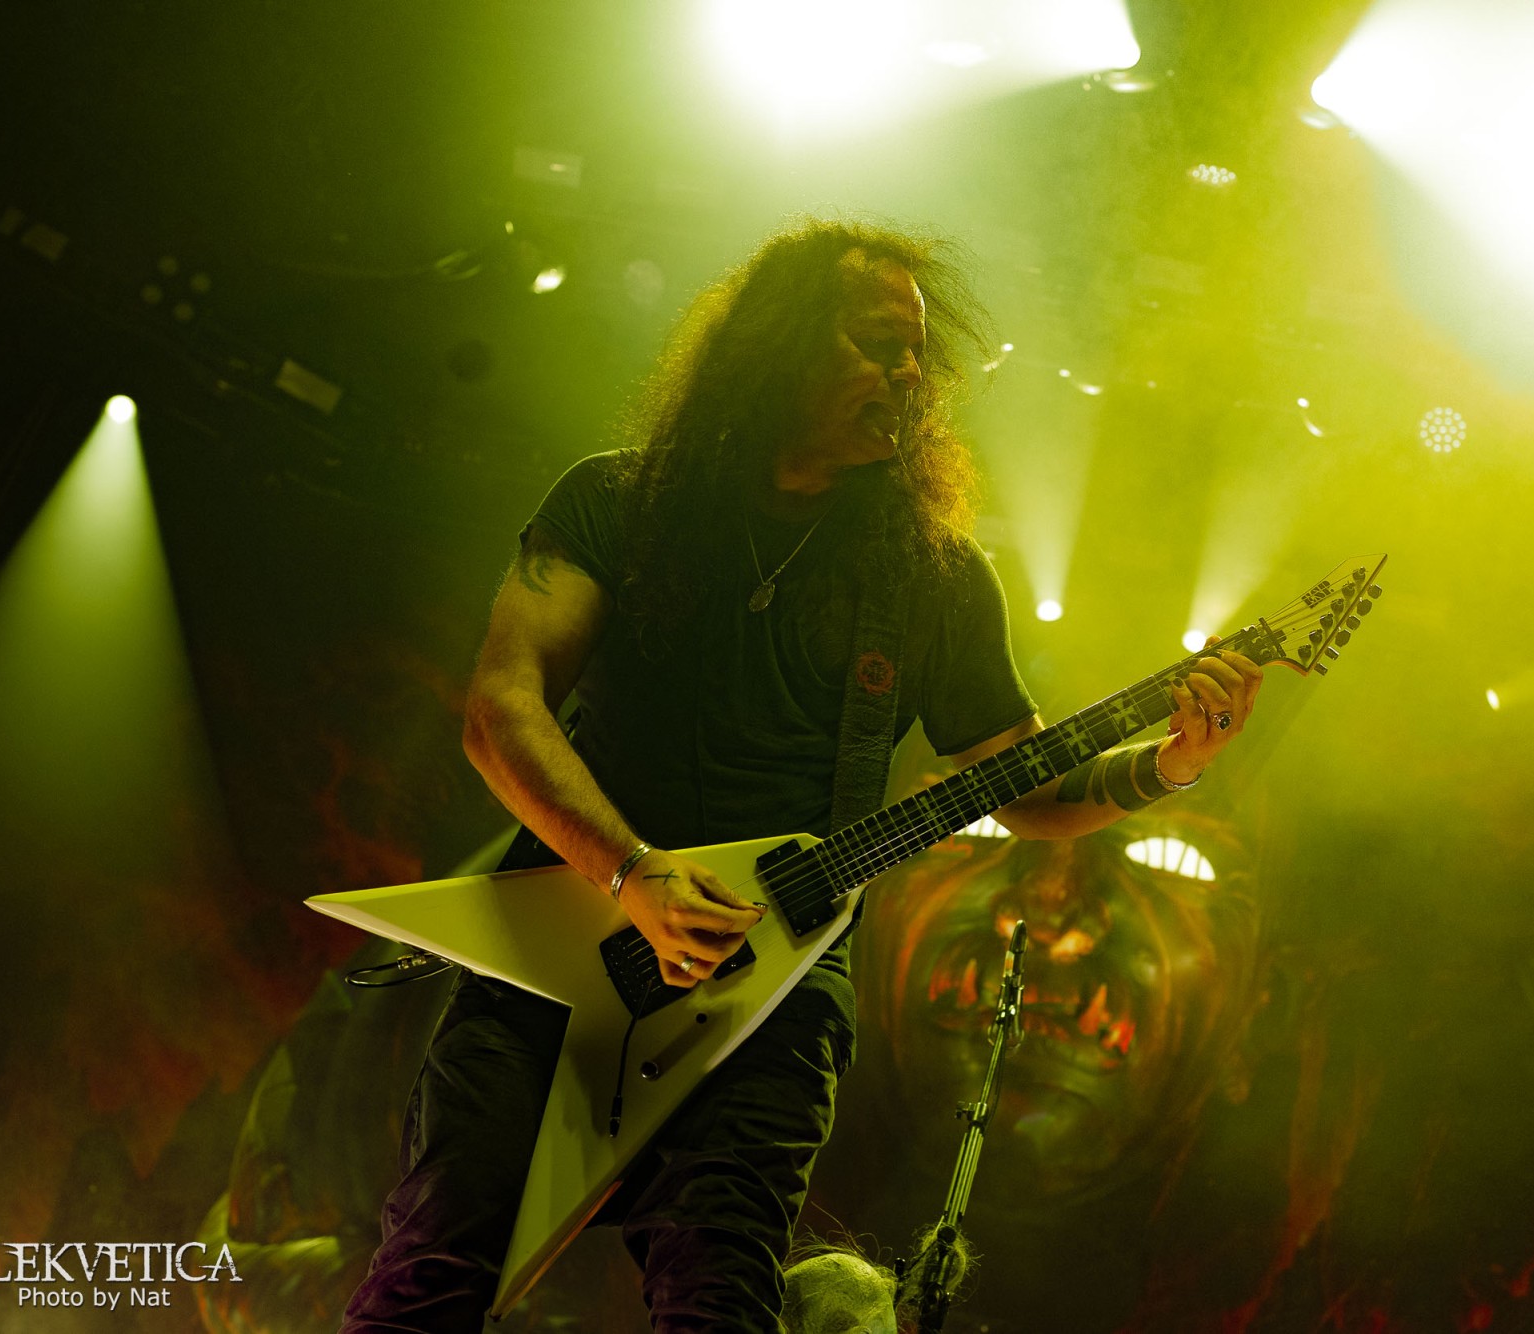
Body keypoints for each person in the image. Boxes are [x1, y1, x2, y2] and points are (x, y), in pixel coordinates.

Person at [340, 219, 1266, 1334]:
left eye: (919, 351)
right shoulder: (620, 501)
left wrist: (1167, 765)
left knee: (722, 1302)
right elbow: (501, 711)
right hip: (558, 938)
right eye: (878, 341)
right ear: (776, 343)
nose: (910, 373)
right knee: (431, 1277)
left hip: (777, 996)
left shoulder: (930, 575)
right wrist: (631, 871)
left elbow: (1019, 786)